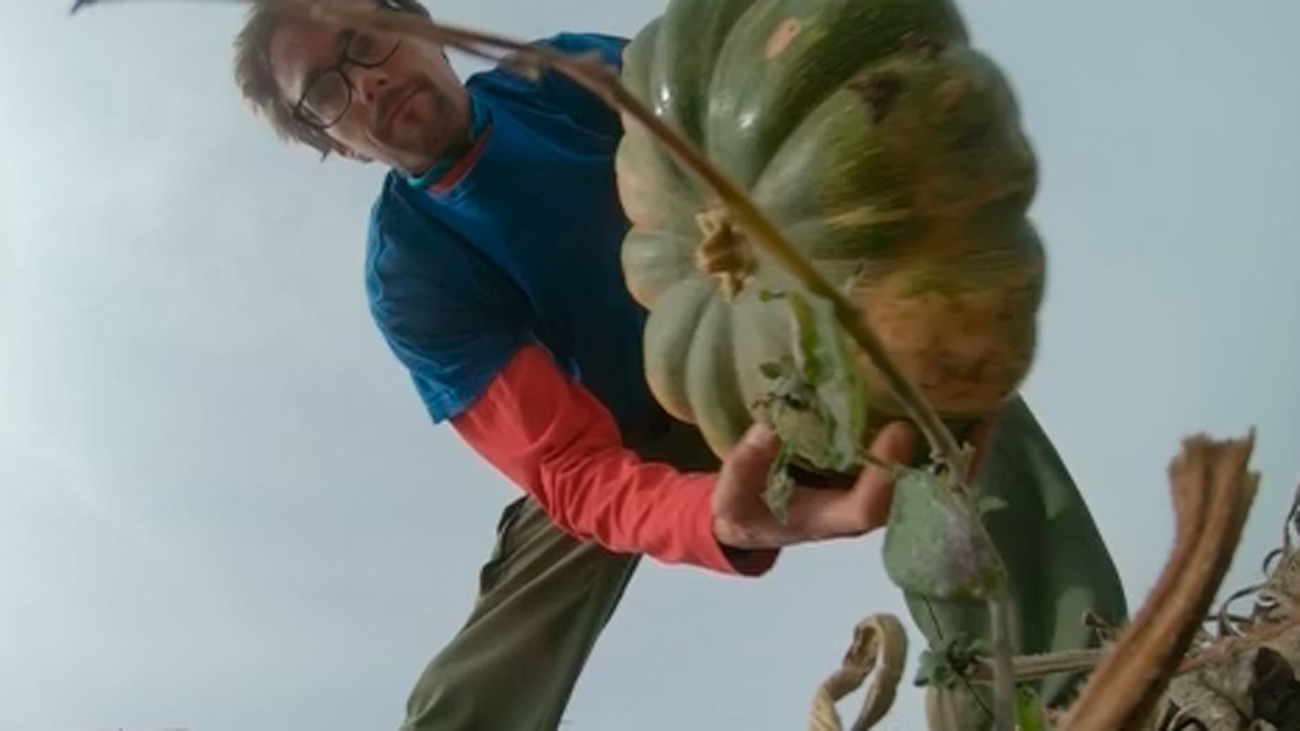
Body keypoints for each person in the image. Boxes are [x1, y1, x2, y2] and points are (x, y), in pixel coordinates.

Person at [230, 1, 1128, 728]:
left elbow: (748, 106)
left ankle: (1067, 690)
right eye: (326, 92)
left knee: (938, 393)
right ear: (334, 143)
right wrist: (717, 520)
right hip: (625, 438)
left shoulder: (566, 74)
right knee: (522, 604)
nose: (367, 81)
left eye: (366, 38)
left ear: (418, 21)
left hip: (769, 356)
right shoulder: (411, 272)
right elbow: (571, 466)